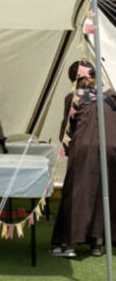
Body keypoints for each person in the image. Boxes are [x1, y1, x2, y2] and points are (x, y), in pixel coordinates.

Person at [51, 69, 116, 258]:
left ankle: (68, 245)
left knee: (77, 195)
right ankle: (97, 244)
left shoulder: (74, 98)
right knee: (104, 193)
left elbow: (66, 132)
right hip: (111, 148)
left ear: (74, 79)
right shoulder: (111, 95)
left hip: (84, 149)